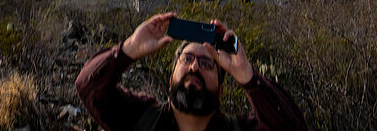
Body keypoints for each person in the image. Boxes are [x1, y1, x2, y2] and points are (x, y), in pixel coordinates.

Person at [75, 12, 306, 130]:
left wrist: (248, 76)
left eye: (206, 64)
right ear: (170, 79)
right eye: (187, 59)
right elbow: (88, 87)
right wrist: (128, 50)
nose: (194, 67)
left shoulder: (239, 129)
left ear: (221, 89)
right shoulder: (140, 119)